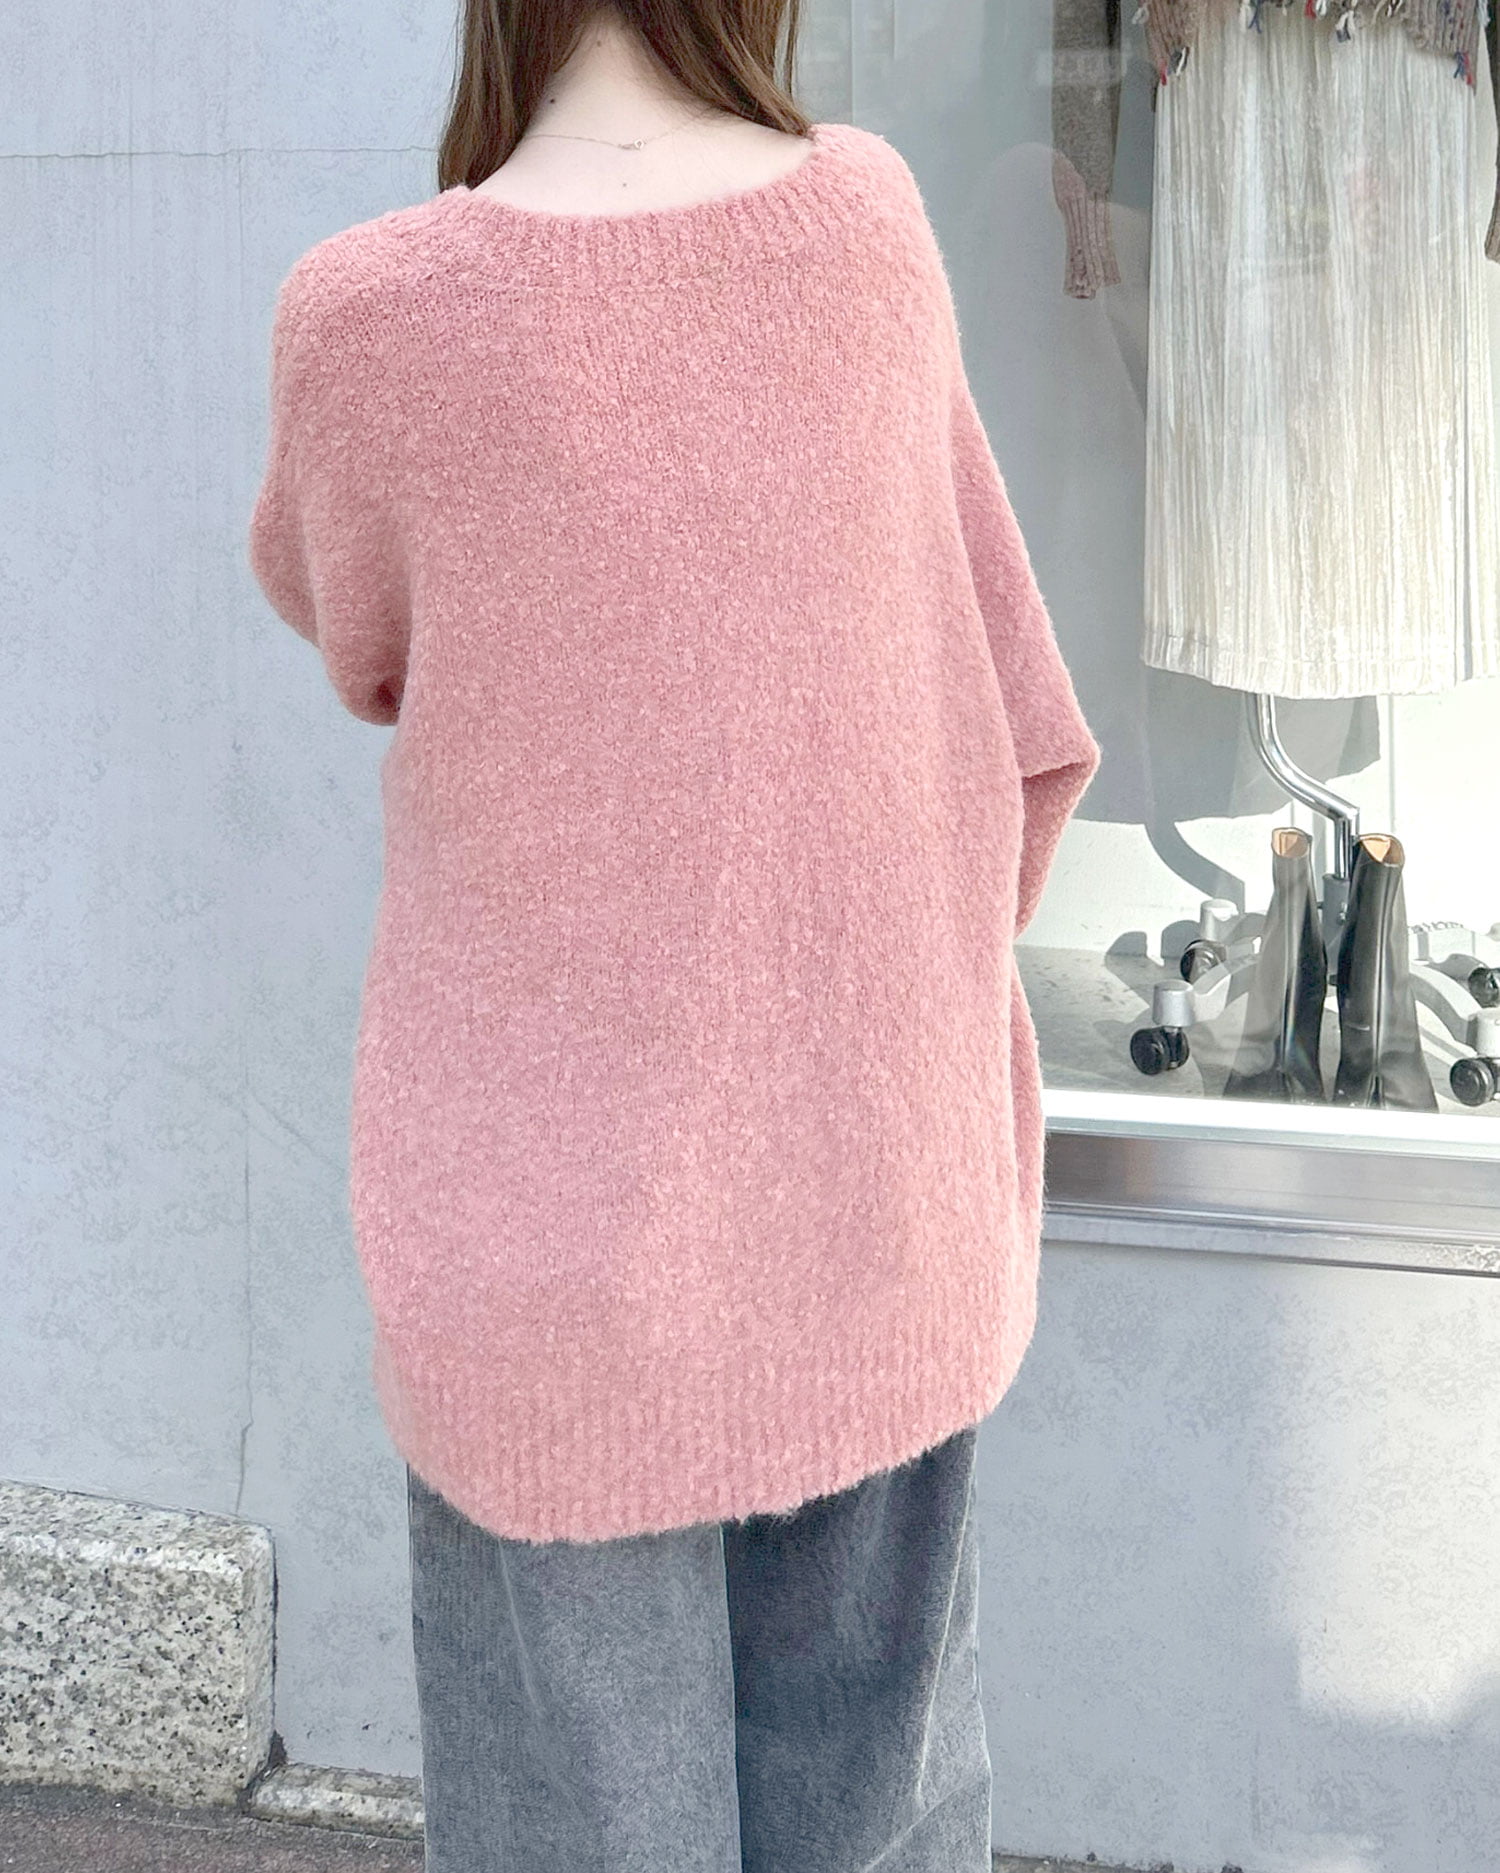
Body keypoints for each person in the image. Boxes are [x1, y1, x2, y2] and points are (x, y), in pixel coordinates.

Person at [247, 2, 1101, 1867]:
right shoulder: (866, 229)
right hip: (874, 1198)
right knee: (875, 1822)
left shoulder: (369, 315)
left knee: (577, 1833)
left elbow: (351, 622)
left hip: (540, 1256)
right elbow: (1006, 709)